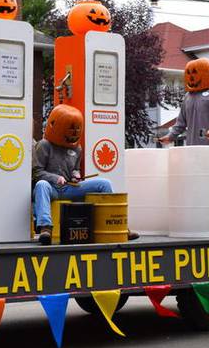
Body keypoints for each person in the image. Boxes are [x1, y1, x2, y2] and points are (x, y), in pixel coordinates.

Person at [33, 104, 138, 245]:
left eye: (77, 129)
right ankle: (46, 228)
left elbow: (75, 169)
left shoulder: (77, 148)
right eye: (70, 128)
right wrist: (55, 178)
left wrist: (76, 175)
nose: (74, 133)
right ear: (55, 125)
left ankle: (118, 227)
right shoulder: (44, 145)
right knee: (41, 185)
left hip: (70, 188)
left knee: (104, 184)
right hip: (52, 188)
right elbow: (37, 172)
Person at [159, 58, 209, 146]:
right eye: (188, 73)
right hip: (191, 147)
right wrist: (170, 136)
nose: (191, 77)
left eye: (195, 72)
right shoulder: (187, 96)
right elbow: (181, 123)